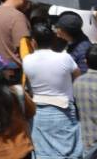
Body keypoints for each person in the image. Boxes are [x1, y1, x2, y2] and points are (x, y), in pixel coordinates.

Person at [22, 21, 81, 159]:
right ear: (53, 40)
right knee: (69, 153)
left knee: (43, 153)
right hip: (64, 111)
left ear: (33, 42)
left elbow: (30, 85)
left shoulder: (27, 60)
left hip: (39, 112)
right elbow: (78, 77)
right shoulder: (65, 58)